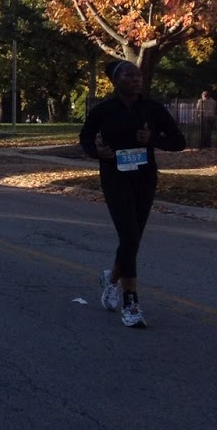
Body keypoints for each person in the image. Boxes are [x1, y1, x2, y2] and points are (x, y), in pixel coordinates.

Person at [79, 59, 186, 329]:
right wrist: (97, 152)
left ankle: (112, 279)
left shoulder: (153, 109)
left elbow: (178, 142)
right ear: (116, 81)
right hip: (115, 177)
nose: (136, 79)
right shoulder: (103, 110)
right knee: (128, 235)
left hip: (144, 177)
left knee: (133, 239)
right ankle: (131, 304)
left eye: (138, 75)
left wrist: (153, 140)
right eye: (129, 75)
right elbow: (85, 138)